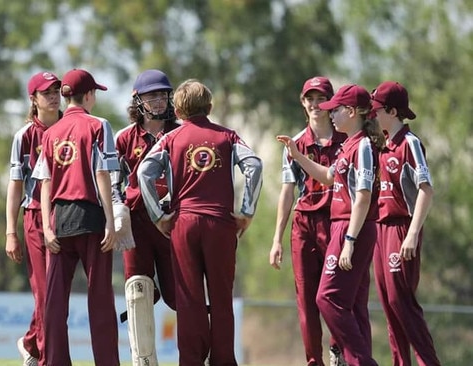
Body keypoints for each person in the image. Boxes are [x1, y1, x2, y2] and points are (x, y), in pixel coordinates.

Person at [138, 79, 263, 366]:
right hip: (220, 223)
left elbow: (145, 171)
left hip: (184, 223)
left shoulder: (170, 139)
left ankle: (191, 360)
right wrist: (246, 211)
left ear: (178, 110)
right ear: (209, 106)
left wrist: (158, 216)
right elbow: (254, 165)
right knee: (222, 297)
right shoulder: (228, 136)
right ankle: (223, 360)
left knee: (189, 299)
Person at [277, 84, 384, 366]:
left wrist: (349, 241)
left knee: (329, 298)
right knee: (327, 298)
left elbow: (363, 197)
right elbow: (326, 177)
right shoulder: (349, 144)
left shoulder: (361, 145)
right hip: (341, 226)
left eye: (334, 109)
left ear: (350, 112)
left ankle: (359, 360)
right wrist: (297, 155)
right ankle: (356, 359)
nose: (330, 114)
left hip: (350, 227)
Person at [32, 68, 120, 366]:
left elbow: (44, 183)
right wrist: (110, 220)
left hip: (59, 220)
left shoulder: (50, 132)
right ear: (90, 95)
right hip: (93, 217)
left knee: (55, 303)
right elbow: (102, 173)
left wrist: (46, 227)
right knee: (100, 300)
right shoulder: (99, 125)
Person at [269, 77, 347, 366]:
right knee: (306, 299)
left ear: (331, 104)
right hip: (304, 224)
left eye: (321, 99)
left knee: (336, 293)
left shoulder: (346, 141)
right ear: (303, 102)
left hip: (337, 221)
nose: (315, 105)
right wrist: (277, 238)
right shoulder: (294, 143)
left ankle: (338, 350)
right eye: (310, 99)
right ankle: (314, 360)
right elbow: (287, 191)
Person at [370, 81, 441, 365]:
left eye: (377, 110)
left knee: (402, 302)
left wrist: (412, 235)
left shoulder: (409, 143)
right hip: (380, 228)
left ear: (391, 110)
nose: (373, 115)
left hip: (402, 227)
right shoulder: (384, 144)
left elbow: (426, 189)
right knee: (389, 304)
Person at [112, 69, 179, 366]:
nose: (160, 100)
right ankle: (143, 361)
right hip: (138, 223)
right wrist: (118, 214)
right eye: (152, 95)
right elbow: (114, 183)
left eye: (163, 94)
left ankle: (196, 356)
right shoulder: (123, 138)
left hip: (173, 222)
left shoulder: (181, 132)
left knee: (182, 294)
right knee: (138, 290)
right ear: (138, 100)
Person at [5, 71, 62, 366]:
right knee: (45, 293)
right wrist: (10, 232)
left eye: (57, 91)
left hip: (67, 216)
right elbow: (15, 185)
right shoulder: (25, 136)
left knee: (55, 295)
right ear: (33, 99)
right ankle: (42, 358)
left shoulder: (70, 127)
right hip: (36, 218)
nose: (54, 97)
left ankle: (31, 343)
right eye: (47, 92)